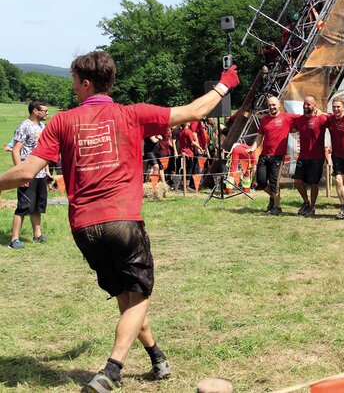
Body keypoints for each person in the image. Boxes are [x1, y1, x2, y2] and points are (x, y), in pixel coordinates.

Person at [0, 51, 240, 392]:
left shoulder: (61, 122)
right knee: (139, 296)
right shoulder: (133, 114)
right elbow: (194, 111)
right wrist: (224, 84)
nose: (72, 87)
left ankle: (156, 356)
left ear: (86, 82)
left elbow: (25, 171)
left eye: (73, 81)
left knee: (128, 297)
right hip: (122, 221)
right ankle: (112, 370)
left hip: (84, 227)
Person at [8, 100, 50, 249]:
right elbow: (15, 150)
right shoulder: (24, 126)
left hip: (40, 174)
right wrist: (20, 174)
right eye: (44, 110)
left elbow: (43, 152)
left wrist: (47, 172)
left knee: (38, 206)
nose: (47, 113)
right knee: (23, 206)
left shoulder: (42, 126)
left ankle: (37, 235)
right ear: (34, 111)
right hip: (27, 173)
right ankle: (14, 239)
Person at [247, 96, 297, 215]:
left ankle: (277, 207)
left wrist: (318, 112)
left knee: (274, 182)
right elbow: (259, 137)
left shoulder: (287, 117)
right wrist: (253, 148)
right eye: (270, 105)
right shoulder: (264, 119)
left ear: (279, 105)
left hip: (277, 156)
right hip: (264, 155)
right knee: (261, 181)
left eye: (274, 105)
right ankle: (274, 198)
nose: (272, 107)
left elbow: (304, 118)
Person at [291, 95, 328, 216]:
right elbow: (292, 128)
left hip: (317, 157)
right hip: (303, 156)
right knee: (297, 181)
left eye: (308, 104)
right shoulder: (300, 119)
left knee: (314, 184)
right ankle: (306, 202)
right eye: (304, 103)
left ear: (314, 106)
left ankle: (312, 206)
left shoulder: (321, 118)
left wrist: (323, 113)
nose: (305, 106)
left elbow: (335, 117)